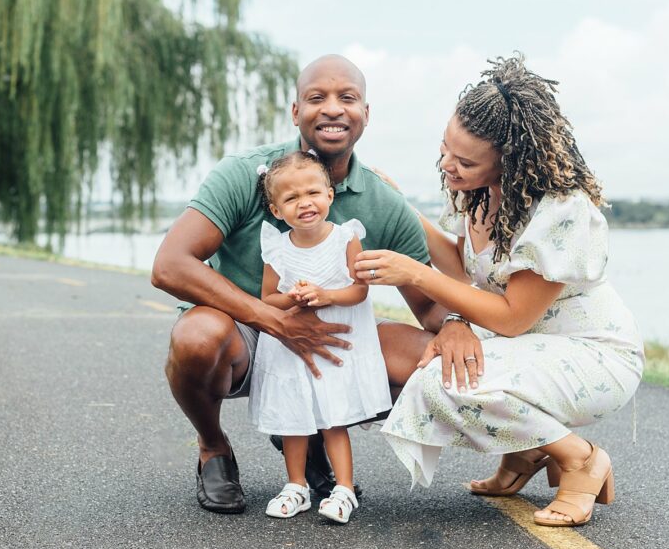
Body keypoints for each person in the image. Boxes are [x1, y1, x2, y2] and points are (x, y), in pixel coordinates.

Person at [151, 55, 482, 515]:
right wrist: (275, 321)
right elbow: (169, 265)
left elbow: (427, 305)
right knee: (195, 338)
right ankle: (213, 447)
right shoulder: (246, 173)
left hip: (335, 338)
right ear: (295, 112)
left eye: (347, 98)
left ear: (366, 113)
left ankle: (309, 429)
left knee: (433, 362)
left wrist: (455, 321)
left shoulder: (382, 202)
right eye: (316, 98)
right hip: (244, 333)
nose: (332, 109)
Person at [355, 55, 644, 527]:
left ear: (512, 162)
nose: (448, 166)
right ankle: (525, 453)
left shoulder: (560, 211)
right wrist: (402, 209)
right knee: (394, 349)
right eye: (446, 149)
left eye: (465, 161)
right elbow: (468, 266)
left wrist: (415, 274)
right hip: (531, 345)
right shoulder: (482, 192)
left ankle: (580, 460)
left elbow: (512, 317)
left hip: (593, 353)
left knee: (445, 381)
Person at [250, 152, 391, 523]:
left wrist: (326, 295)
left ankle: (343, 487)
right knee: (292, 420)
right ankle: (296, 486)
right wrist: (293, 297)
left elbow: (359, 291)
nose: (304, 203)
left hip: (332, 346)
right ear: (276, 209)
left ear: (329, 195)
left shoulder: (346, 238)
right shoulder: (276, 247)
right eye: (291, 198)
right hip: (290, 349)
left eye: (312, 192)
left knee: (334, 418)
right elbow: (268, 299)